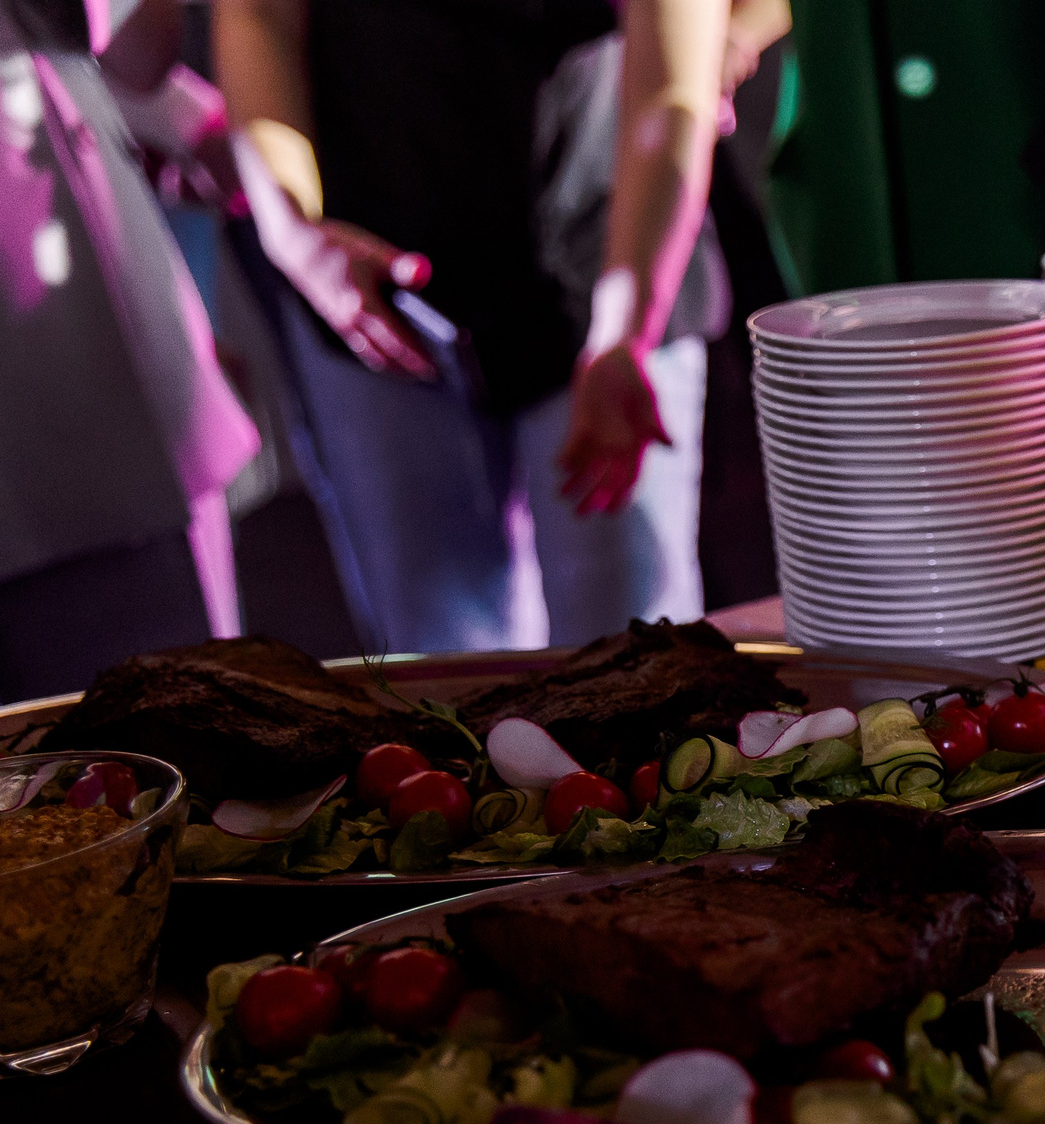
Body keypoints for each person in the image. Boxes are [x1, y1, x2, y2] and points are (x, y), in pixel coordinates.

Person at [215, 0, 781, 654]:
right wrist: (293, 233)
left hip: (609, 252)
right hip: (375, 280)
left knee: (626, 648)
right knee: (440, 663)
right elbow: (258, 17)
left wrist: (626, 329)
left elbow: (670, 96)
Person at [0, 0, 259, 722]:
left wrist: (182, 120)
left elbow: (129, 52)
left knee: (165, 754)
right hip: (32, 374)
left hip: (60, 388)